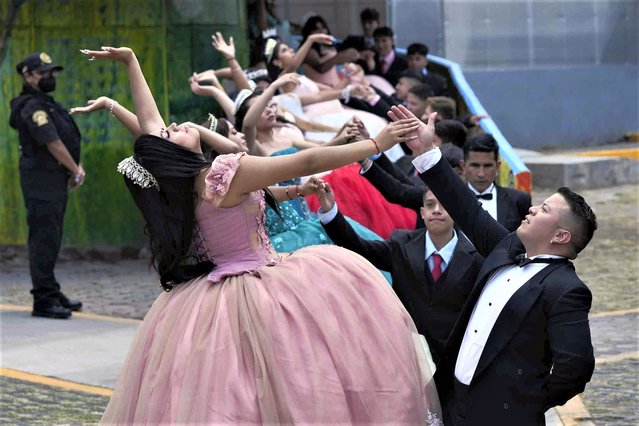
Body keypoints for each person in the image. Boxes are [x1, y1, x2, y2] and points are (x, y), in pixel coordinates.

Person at [80, 46, 441, 424]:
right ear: (171, 155)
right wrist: (376, 144)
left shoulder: (176, 186)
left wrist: (132, 62)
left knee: (235, 393)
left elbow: (152, 126)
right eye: (172, 133)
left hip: (212, 294)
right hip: (261, 282)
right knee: (294, 379)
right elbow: (305, 161)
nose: (175, 126)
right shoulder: (222, 173)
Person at [390, 104, 597, 425]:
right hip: (452, 404)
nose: (531, 210)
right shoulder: (507, 246)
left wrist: (520, 404)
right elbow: (465, 207)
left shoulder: (566, 289)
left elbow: (576, 368)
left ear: (560, 235)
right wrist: (427, 150)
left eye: (544, 210)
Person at [318, 183, 483, 365]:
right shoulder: (401, 244)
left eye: (443, 204)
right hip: (404, 355)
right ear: (422, 212)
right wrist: (330, 212)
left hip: (454, 362)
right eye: (430, 205)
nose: (436, 210)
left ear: (456, 211)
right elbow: (359, 246)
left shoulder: (476, 259)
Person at [9, 52, 85, 319]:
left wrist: (74, 167)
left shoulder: (45, 102)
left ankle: (50, 290)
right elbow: (52, 142)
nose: (50, 77)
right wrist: (75, 169)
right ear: (28, 76)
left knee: (51, 236)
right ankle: (43, 299)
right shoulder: (32, 106)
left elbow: (63, 139)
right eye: (43, 73)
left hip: (53, 180)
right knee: (44, 239)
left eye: (52, 72)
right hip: (41, 181)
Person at [462, 134, 531, 232]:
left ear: (497, 167)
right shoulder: (450, 199)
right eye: (475, 165)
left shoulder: (519, 200)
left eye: (487, 166)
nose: (481, 174)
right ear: (463, 166)